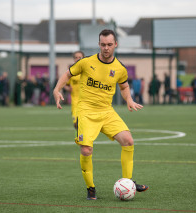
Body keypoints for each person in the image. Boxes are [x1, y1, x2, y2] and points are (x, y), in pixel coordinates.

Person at [53, 29, 149, 200]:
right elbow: (68, 73)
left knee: (128, 140)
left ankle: (128, 182)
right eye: (103, 44)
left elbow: (124, 86)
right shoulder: (85, 62)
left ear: (116, 45)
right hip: (86, 112)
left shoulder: (120, 68)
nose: (106, 48)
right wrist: (56, 89)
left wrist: (129, 99)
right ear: (99, 44)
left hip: (107, 112)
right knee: (86, 149)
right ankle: (90, 188)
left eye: (109, 45)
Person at [64, 51, 84, 129]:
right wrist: (68, 88)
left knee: (84, 123)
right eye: (76, 57)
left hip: (86, 101)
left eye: (80, 57)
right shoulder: (71, 71)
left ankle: (83, 139)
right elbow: (65, 84)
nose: (78, 59)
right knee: (77, 123)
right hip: (75, 101)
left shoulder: (87, 71)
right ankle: (79, 139)